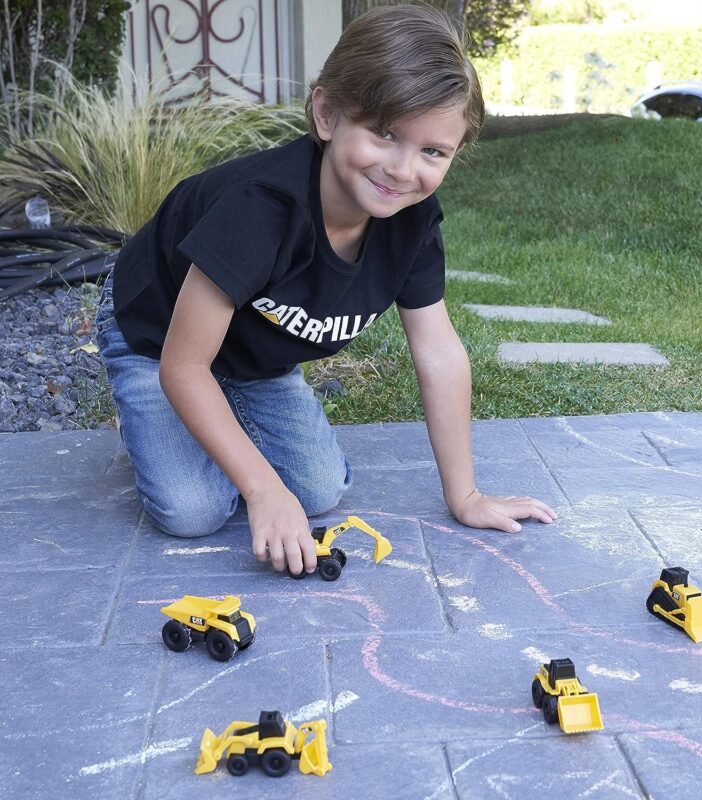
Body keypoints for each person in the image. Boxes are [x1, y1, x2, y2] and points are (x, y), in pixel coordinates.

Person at [95, 3, 557, 578]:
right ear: (327, 115)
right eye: (385, 134)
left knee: (317, 492)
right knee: (194, 509)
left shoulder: (412, 220)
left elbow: (439, 353)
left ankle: (214, 414)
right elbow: (184, 367)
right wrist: (263, 491)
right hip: (158, 333)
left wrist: (465, 496)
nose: (402, 169)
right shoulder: (260, 209)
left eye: (432, 151)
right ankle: (154, 420)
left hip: (255, 350)